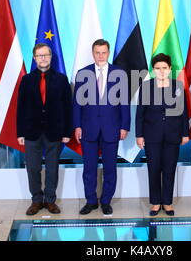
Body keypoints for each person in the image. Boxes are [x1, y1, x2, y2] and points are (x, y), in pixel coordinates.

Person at [73, 39, 130, 216]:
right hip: (88, 128)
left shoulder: (119, 73)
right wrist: (77, 126)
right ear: (93, 53)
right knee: (89, 168)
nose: (100, 56)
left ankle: (106, 201)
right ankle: (90, 201)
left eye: (103, 52)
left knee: (110, 168)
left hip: (111, 128)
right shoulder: (83, 73)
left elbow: (124, 103)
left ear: (108, 53)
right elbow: (76, 104)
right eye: (97, 52)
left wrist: (124, 126)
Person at [17, 43, 72, 216]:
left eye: (46, 55)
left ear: (51, 57)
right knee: (33, 167)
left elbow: (67, 107)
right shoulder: (26, 80)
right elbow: (21, 107)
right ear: (34, 58)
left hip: (54, 131)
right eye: (39, 55)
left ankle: (49, 200)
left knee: (52, 167)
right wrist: (20, 132)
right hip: (32, 131)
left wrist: (66, 132)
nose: (43, 58)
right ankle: (36, 200)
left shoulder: (61, 79)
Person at [136, 53, 189, 216]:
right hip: (152, 135)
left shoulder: (178, 87)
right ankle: (155, 202)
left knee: (169, 169)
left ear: (170, 69)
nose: (161, 71)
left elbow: (183, 113)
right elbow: (140, 113)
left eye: (164, 68)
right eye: (157, 68)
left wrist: (185, 133)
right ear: (153, 70)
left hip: (173, 135)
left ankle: (167, 202)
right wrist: (139, 135)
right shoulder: (146, 87)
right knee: (153, 169)